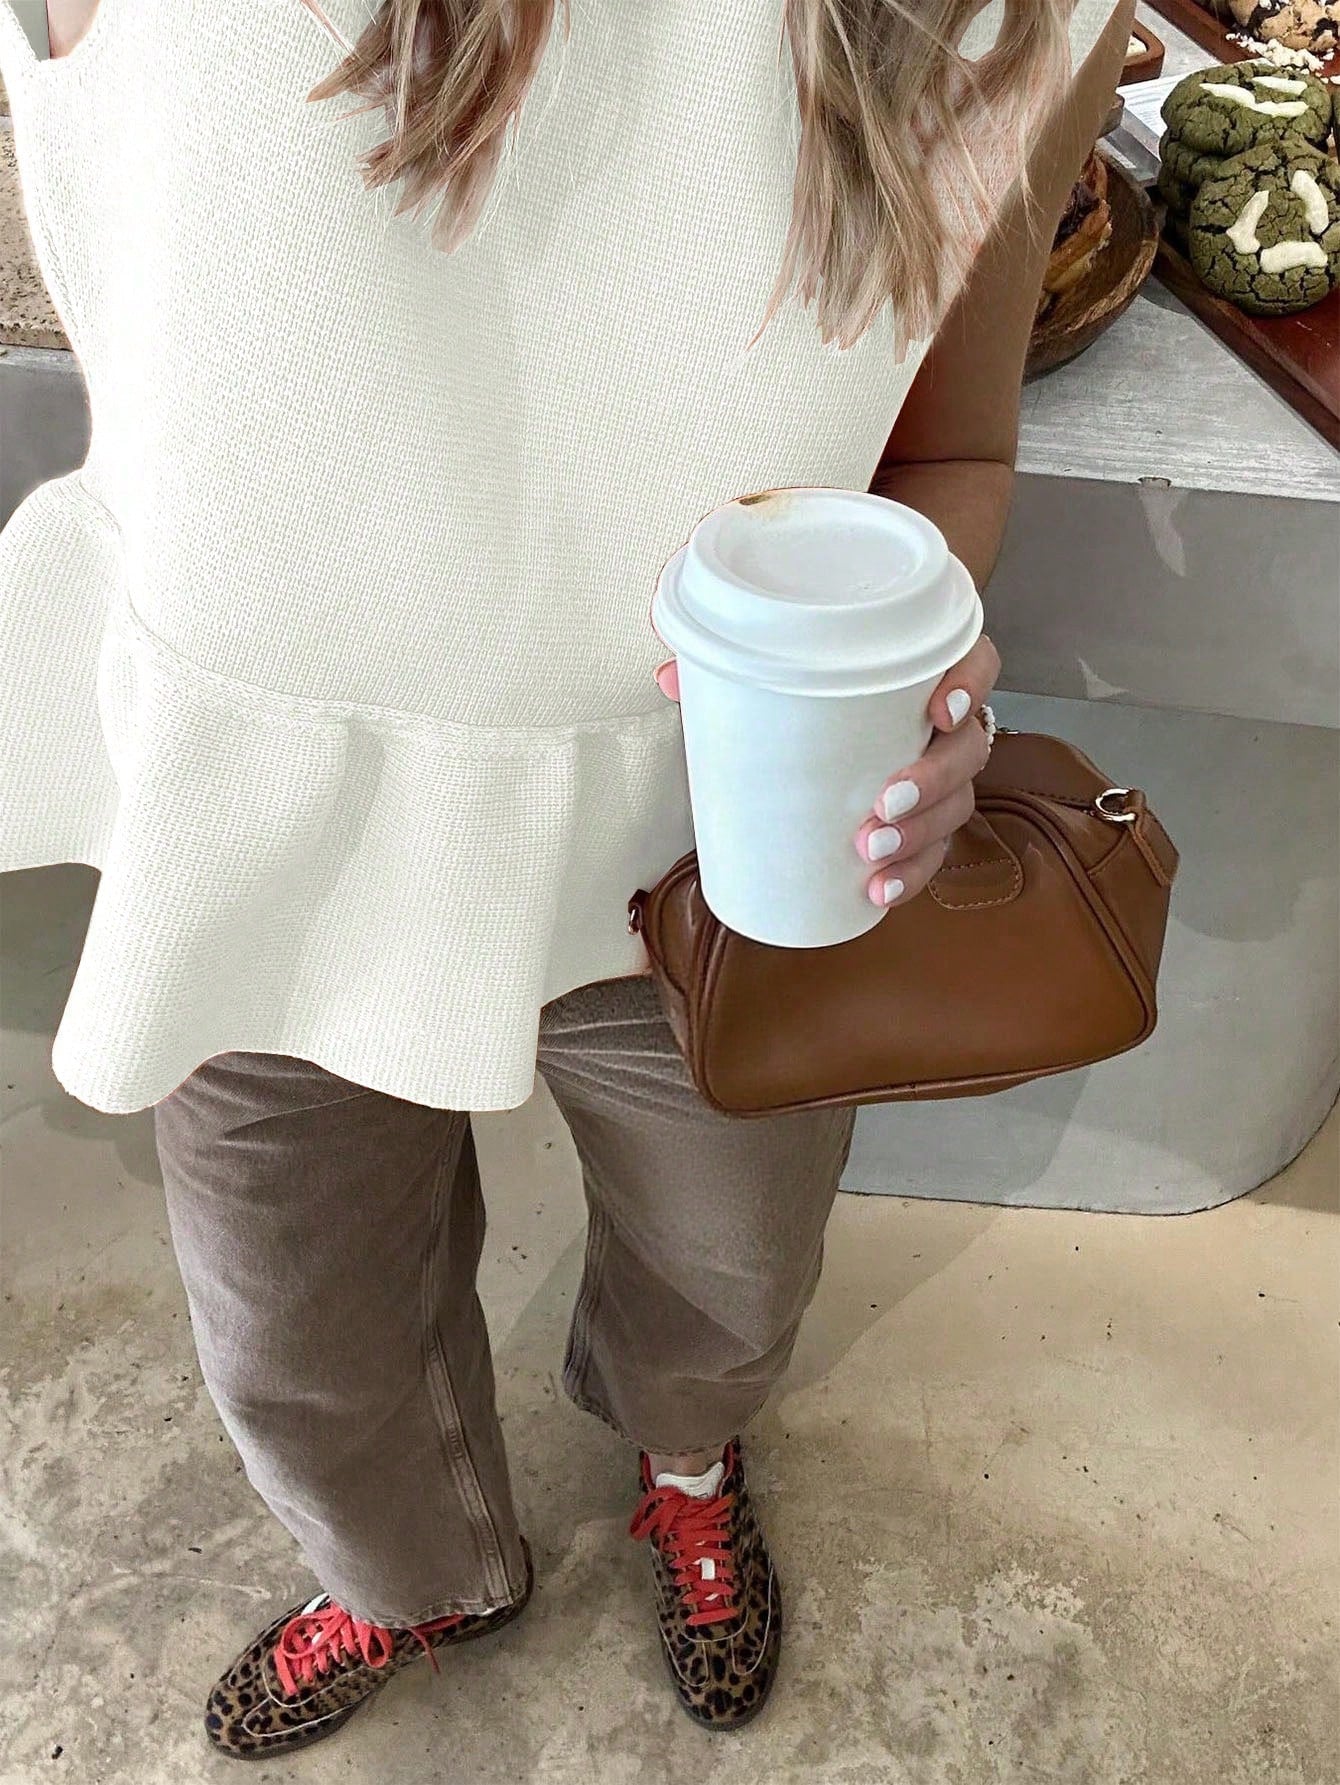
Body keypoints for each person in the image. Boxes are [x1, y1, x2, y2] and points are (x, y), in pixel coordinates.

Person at [0, 0, 1134, 1759]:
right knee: (298, 1343)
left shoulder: (974, 18)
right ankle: (414, 1574)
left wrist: (903, 669)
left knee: (727, 1277)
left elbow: (942, 454)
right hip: (255, 830)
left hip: (716, 831)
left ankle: (684, 1463)